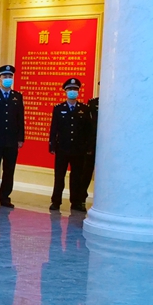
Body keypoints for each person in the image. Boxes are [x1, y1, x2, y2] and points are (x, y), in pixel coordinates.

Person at [48, 78, 92, 213]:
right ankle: (56, 201)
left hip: (78, 149)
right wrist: (52, 145)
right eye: (70, 89)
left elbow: (88, 130)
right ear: (65, 91)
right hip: (62, 147)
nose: (72, 91)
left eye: (75, 89)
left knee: (76, 176)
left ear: (78, 91)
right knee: (59, 176)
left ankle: (76, 201)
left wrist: (88, 147)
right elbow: (54, 129)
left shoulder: (84, 109)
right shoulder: (59, 108)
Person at [0, 65, 25, 208]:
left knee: (9, 170)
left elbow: (20, 119)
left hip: (11, 140)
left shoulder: (17, 97)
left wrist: (20, 138)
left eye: (10, 77)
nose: (8, 79)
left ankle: (5, 197)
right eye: (5, 76)